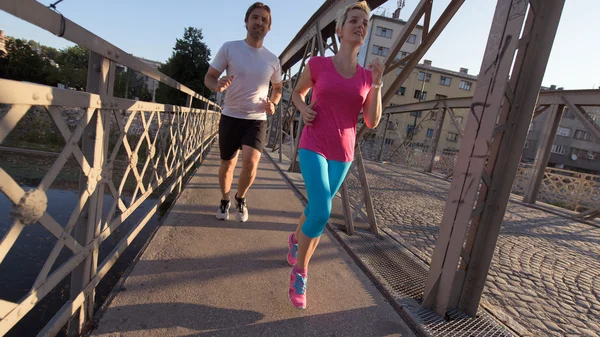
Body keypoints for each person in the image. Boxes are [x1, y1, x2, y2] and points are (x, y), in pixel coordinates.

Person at [286, 2, 383, 309]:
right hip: (313, 143)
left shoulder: (367, 77)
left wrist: (378, 84)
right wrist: (303, 110)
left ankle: (294, 239)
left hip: (343, 153)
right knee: (323, 210)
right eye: (354, 20)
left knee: (316, 207)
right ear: (339, 30)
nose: (360, 25)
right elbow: (296, 93)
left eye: (365, 23)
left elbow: (371, 121)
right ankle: (300, 272)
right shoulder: (317, 65)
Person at [204, 2, 283, 222]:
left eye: (264, 20)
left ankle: (241, 198)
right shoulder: (230, 48)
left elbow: (278, 88)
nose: (259, 22)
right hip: (230, 115)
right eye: (255, 18)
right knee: (227, 164)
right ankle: (224, 200)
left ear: (269, 28)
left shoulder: (272, 60)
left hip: (256, 119)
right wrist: (217, 85)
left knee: (251, 162)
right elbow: (209, 77)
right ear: (246, 22)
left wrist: (274, 104)